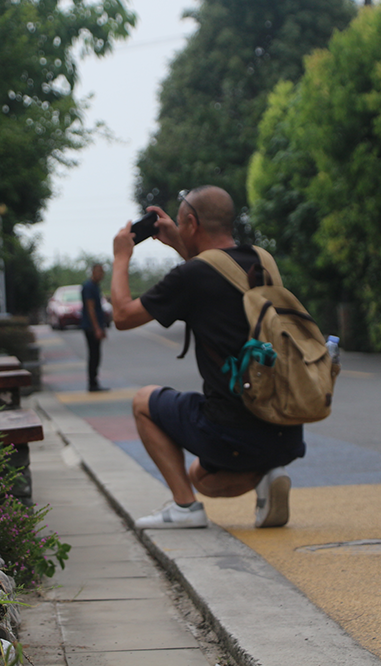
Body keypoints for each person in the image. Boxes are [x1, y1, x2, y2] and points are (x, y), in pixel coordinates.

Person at [110, 186, 305, 530]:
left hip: (231, 431)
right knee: (205, 475)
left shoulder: (191, 277)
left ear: (190, 221)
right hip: (285, 428)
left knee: (144, 404)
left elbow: (123, 316)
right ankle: (268, 472)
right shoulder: (263, 261)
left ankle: (186, 508)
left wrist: (121, 256)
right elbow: (216, 278)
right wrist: (177, 244)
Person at [81, 263, 110, 392]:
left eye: (102, 272)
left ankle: (94, 381)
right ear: (93, 272)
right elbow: (90, 308)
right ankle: (92, 383)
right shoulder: (88, 287)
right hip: (90, 327)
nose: (101, 274)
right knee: (93, 355)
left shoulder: (96, 287)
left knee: (97, 354)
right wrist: (97, 328)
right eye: (99, 271)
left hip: (96, 326)